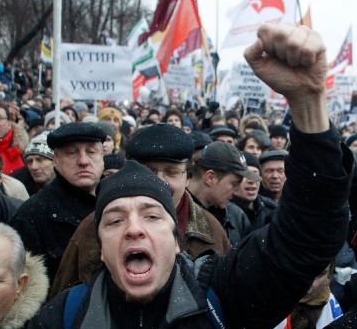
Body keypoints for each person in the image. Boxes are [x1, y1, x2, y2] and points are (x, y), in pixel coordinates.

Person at [0, 24, 354, 329]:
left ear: (174, 234)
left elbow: (308, 236)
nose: (133, 228)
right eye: (115, 220)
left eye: (151, 216)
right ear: (100, 243)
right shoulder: (61, 320)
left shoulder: (219, 295)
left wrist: (309, 103)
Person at [49, 123, 230, 297]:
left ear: (188, 177)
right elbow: (63, 301)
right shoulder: (92, 228)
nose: (160, 181)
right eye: (149, 171)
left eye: (171, 172)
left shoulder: (211, 230)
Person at [9, 122, 105, 282]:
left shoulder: (118, 203)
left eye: (91, 152)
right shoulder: (32, 214)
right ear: (56, 160)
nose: (83, 161)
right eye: (72, 153)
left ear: (102, 158)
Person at [188, 141, 254, 245]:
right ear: (210, 178)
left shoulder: (237, 217)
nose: (236, 191)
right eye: (234, 184)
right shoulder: (172, 215)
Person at [232, 151, 278, 231]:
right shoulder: (224, 212)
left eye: (255, 174)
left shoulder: (271, 209)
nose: (251, 180)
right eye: (244, 175)